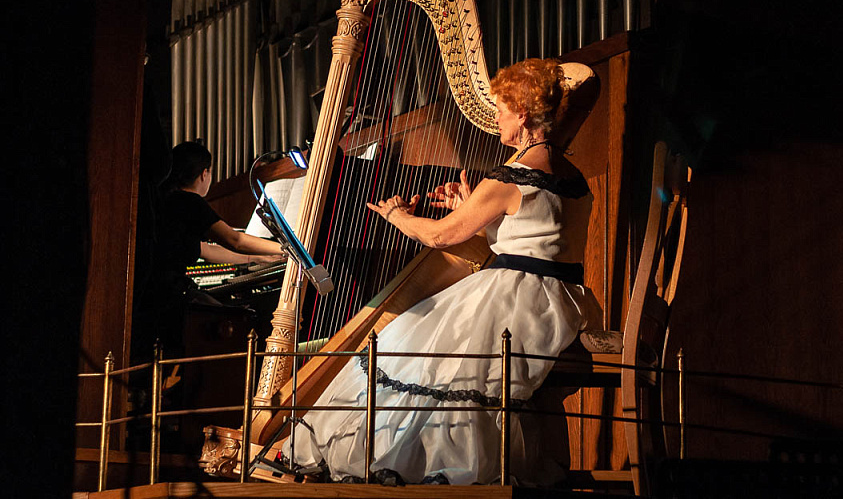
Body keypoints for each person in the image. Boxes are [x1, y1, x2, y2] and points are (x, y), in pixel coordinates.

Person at [282, 58, 602, 485]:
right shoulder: (575, 178)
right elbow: (534, 239)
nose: (497, 118)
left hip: (514, 302)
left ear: (523, 115)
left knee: (409, 354)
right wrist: (474, 207)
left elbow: (440, 237)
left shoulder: (511, 176)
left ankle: (428, 468)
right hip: (562, 304)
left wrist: (396, 215)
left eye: (502, 109)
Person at [133, 141, 284, 359]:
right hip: (168, 299)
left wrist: (258, 257)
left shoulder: (167, 200)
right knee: (241, 324)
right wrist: (287, 248)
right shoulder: (188, 201)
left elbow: (206, 250)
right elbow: (235, 239)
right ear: (204, 173)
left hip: (154, 296)